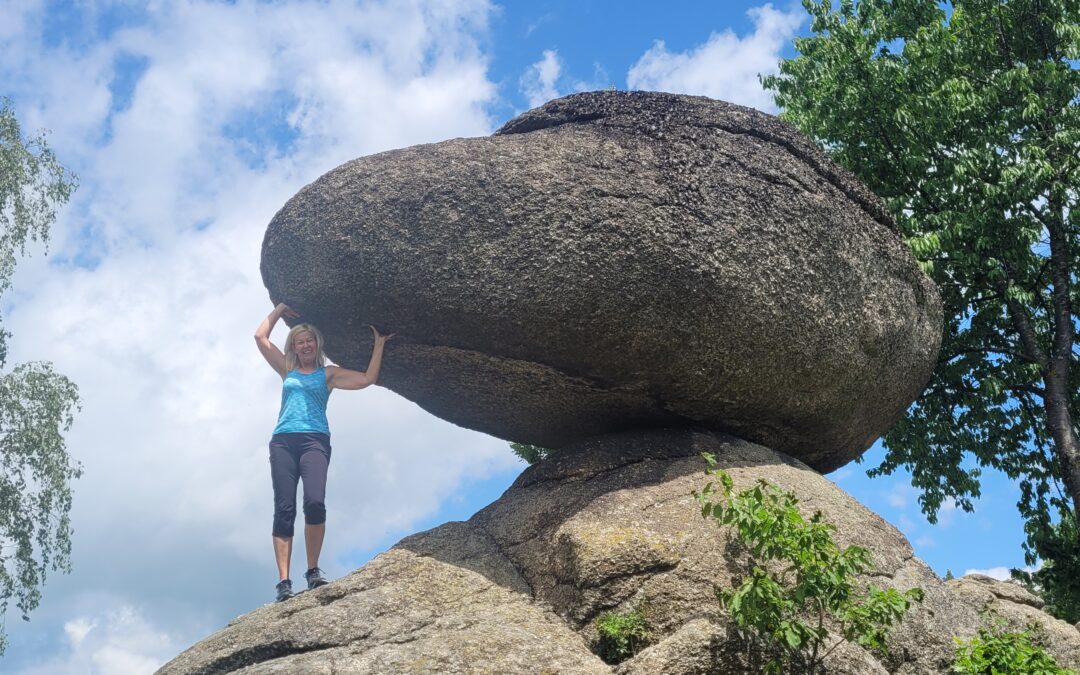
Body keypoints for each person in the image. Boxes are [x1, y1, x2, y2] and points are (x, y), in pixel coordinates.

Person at [254, 302, 392, 602]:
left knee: (315, 502)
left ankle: (313, 570)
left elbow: (367, 379)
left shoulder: (327, 375)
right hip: (283, 441)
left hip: (315, 440)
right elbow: (260, 338)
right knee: (284, 508)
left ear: (317, 344)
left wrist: (378, 345)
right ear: (294, 346)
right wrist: (279, 310)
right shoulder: (286, 369)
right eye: (299, 341)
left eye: (309, 340)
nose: (304, 345)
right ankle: (284, 582)